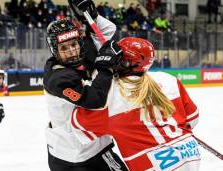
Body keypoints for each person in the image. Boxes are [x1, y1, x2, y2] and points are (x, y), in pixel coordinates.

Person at [72, 37, 200, 171]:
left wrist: (98, 76)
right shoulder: (168, 79)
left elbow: (79, 126)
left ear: (126, 63)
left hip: (152, 164)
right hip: (189, 154)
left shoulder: (111, 95)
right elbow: (192, 119)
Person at [43, 1, 128, 170]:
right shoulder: (58, 78)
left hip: (95, 146)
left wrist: (92, 16)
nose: (71, 51)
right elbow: (95, 100)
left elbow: (108, 31)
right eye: (64, 48)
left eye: (73, 44)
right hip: (70, 156)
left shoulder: (84, 51)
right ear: (55, 50)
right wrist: (106, 68)